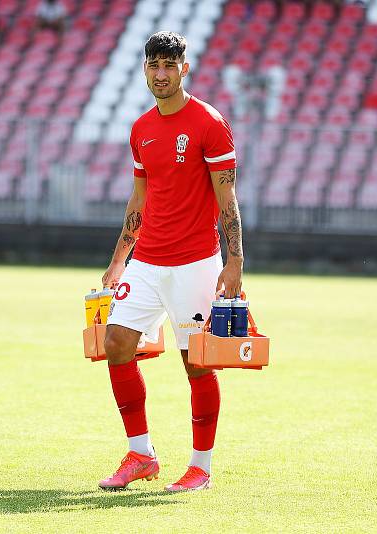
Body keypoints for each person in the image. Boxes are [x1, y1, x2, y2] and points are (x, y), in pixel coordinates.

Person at [97, 31, 244, 493]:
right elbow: (138, 199)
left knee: (196, 363)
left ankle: (200, 467)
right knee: (117, 344)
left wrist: (235, 259)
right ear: (145, 70)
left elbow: (228, 197)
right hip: (147, 261)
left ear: (185, 68)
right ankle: (141, 455)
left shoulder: (209, 122)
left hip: (195, 263)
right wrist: (120, 258)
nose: (161, 75)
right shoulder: (141, 128)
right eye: (153, 66)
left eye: (170, 66)